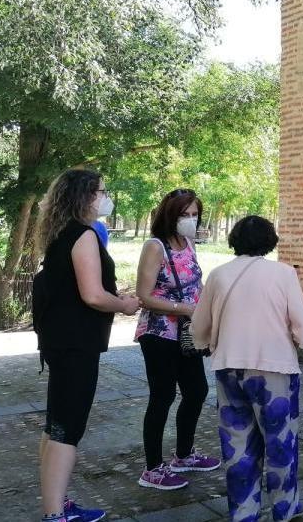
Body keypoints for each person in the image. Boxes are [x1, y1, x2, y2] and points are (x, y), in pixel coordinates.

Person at [192, 215, 303, 522]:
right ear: (270, 240)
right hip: (274, 369)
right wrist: (302, 340)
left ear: (235, 239)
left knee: (237, 445)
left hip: (229, 366)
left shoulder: (219, 274)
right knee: (280, 442)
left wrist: (204, 342)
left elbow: (199, 325)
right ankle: (284, 507)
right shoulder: (283, 274)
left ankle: (244, 512)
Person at [33, 169, 140, 522]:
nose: (106, 197)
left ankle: (55, 504)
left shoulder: (60, 233)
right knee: (68, 427)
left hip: (60, 341)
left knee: (56, 425)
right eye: (101, 191)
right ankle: (54, 514)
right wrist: (122, 304)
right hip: (76, 343)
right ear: (84, 196)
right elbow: (93, 295)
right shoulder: (83, 235)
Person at [133, 189, 219, 490]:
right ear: (171, 215)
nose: (190, 220)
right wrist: (184, 308)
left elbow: (195, 282)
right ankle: (152, 469)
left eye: (195, 215)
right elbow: (143, 296)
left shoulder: (188, 243)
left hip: (188, 332)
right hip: (159, 333)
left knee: (197, 391)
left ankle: (184, 455)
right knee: (163, 396)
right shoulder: (155, 247)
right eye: (185, 215)